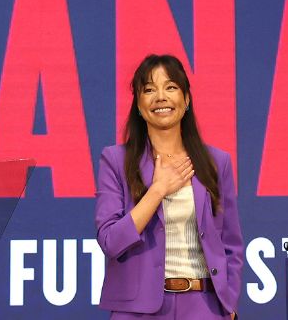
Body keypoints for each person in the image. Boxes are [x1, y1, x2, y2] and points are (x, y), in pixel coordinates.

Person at [95, 54, 243, 319]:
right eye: (149, 89)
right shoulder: (115, 160)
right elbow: (110, 241)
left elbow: (231, 242)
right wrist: (157, 191)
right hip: (138, 310)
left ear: (186, 100)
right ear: (139, 106)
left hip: (204, 306)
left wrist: (228, 302)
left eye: (171, 87)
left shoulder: (216, 162)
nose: (160, 97)